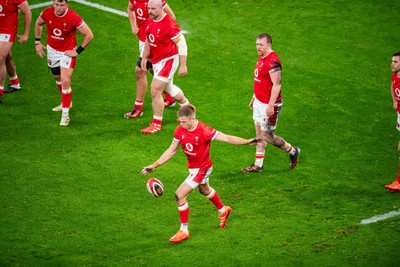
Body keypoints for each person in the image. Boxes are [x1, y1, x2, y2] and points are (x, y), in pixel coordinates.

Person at [141, 104, 261, 243]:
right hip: (193, 168)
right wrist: (155, 165)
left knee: (179, 195)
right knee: (204, 190)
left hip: (202, 168)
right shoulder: (180, 130)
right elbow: (171, 150)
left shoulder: (205, 131)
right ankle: (223, 210)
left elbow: (227, 138)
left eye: (184, 121)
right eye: (180, 121)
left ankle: (183, 230)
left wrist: (247, 141)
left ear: (192, 119)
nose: (182, 124)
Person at [242, 33, 300, 173]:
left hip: (269, 105)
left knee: (267, 136)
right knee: (258, 134)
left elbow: (277, 85)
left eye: (261, 44)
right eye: (257, 44)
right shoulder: (262, 58)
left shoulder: (273, 61)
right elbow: (261, 81)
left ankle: (292, 151)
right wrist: (254, 97)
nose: (258, 47)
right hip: (259, 102)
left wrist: (270, 105)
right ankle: (258, 165)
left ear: (269, 44)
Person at [34, 0, 94, 126]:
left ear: (66, 5)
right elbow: (38, 24)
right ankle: (65, 102)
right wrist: (37, 42)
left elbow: (89, 35)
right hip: (52, 51)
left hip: (67, 53)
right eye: (56, 4)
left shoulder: (73, 17)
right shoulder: (47, 13)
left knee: (65, 80)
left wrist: (77, 51)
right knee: (57, 77)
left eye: (62, 5)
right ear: (53, 4)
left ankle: (65, 115)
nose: (59, 8)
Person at [139, 0, 190, 134]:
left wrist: (183, 65)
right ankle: (187, 106)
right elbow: (148, 40)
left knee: (155, 90)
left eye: (153, 9)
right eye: (148, 8)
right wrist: (144, 57)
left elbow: (182, 44)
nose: (150, 11)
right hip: (156, 61)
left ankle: (156, 124)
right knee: (169, 87)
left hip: (168, 60)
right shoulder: (149, 20)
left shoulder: (169, 24)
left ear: (161, 8)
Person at [124, 0, 177, 119]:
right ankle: (171, 97)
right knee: (153, 70)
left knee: (140, 71)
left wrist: (159, 36)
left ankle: (138, 108)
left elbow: (171, 17)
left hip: (154, 43)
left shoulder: (155, 2)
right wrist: (133, 26)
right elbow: (130, 9)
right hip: (143, 41)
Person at [0, 0, 31, 103]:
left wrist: (25, 34)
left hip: (8, 31)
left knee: (0, 58)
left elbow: (27, 13)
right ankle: (15, 83)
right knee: (6, 57)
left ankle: (0, 91)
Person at [385, 51, 400, 192]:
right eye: (392, 61)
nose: (392, 64)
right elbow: (392, 85)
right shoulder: (395, 76)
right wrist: (394, 101)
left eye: (395, 62)